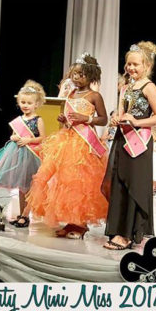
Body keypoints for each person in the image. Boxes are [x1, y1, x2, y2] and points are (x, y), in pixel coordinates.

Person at [24, 52, 109, 239]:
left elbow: (103, 119)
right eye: (75, 74)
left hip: (83, 144)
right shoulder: (70, 93)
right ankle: (69, 220)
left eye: (82, 75)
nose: (77, 78)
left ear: (92, 75)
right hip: (66, 140)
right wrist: (63, 119)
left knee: (79, 183)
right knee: (62, 181)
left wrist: (86, 118)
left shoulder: (95, 96)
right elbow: (67, 118)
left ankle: (80, 224)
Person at [102, 41, 156, 250]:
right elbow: (121, 112)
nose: (131, 68)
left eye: (136, 65)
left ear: (146, 66)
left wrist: (137, 122)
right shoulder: (125, 87)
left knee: (134, 186)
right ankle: (118, 229)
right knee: (120, 183)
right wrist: (115, 118)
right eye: (128, 64)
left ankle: (129, 233)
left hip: (139, 143)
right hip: (123, 139)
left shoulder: (150, 88)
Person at [0, 80, 46, 227]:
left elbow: (43, 138)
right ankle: (22, 214)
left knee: (30, 187)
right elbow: (13, 134)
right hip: (18, 155)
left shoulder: (38, 120)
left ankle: (26, 215)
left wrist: (28, 140)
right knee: (22, 188)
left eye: (29, 103)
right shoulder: (19, 120)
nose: (25, 105)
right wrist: (14, 137)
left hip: (32, 155)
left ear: (36, 104)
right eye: (22, 102)